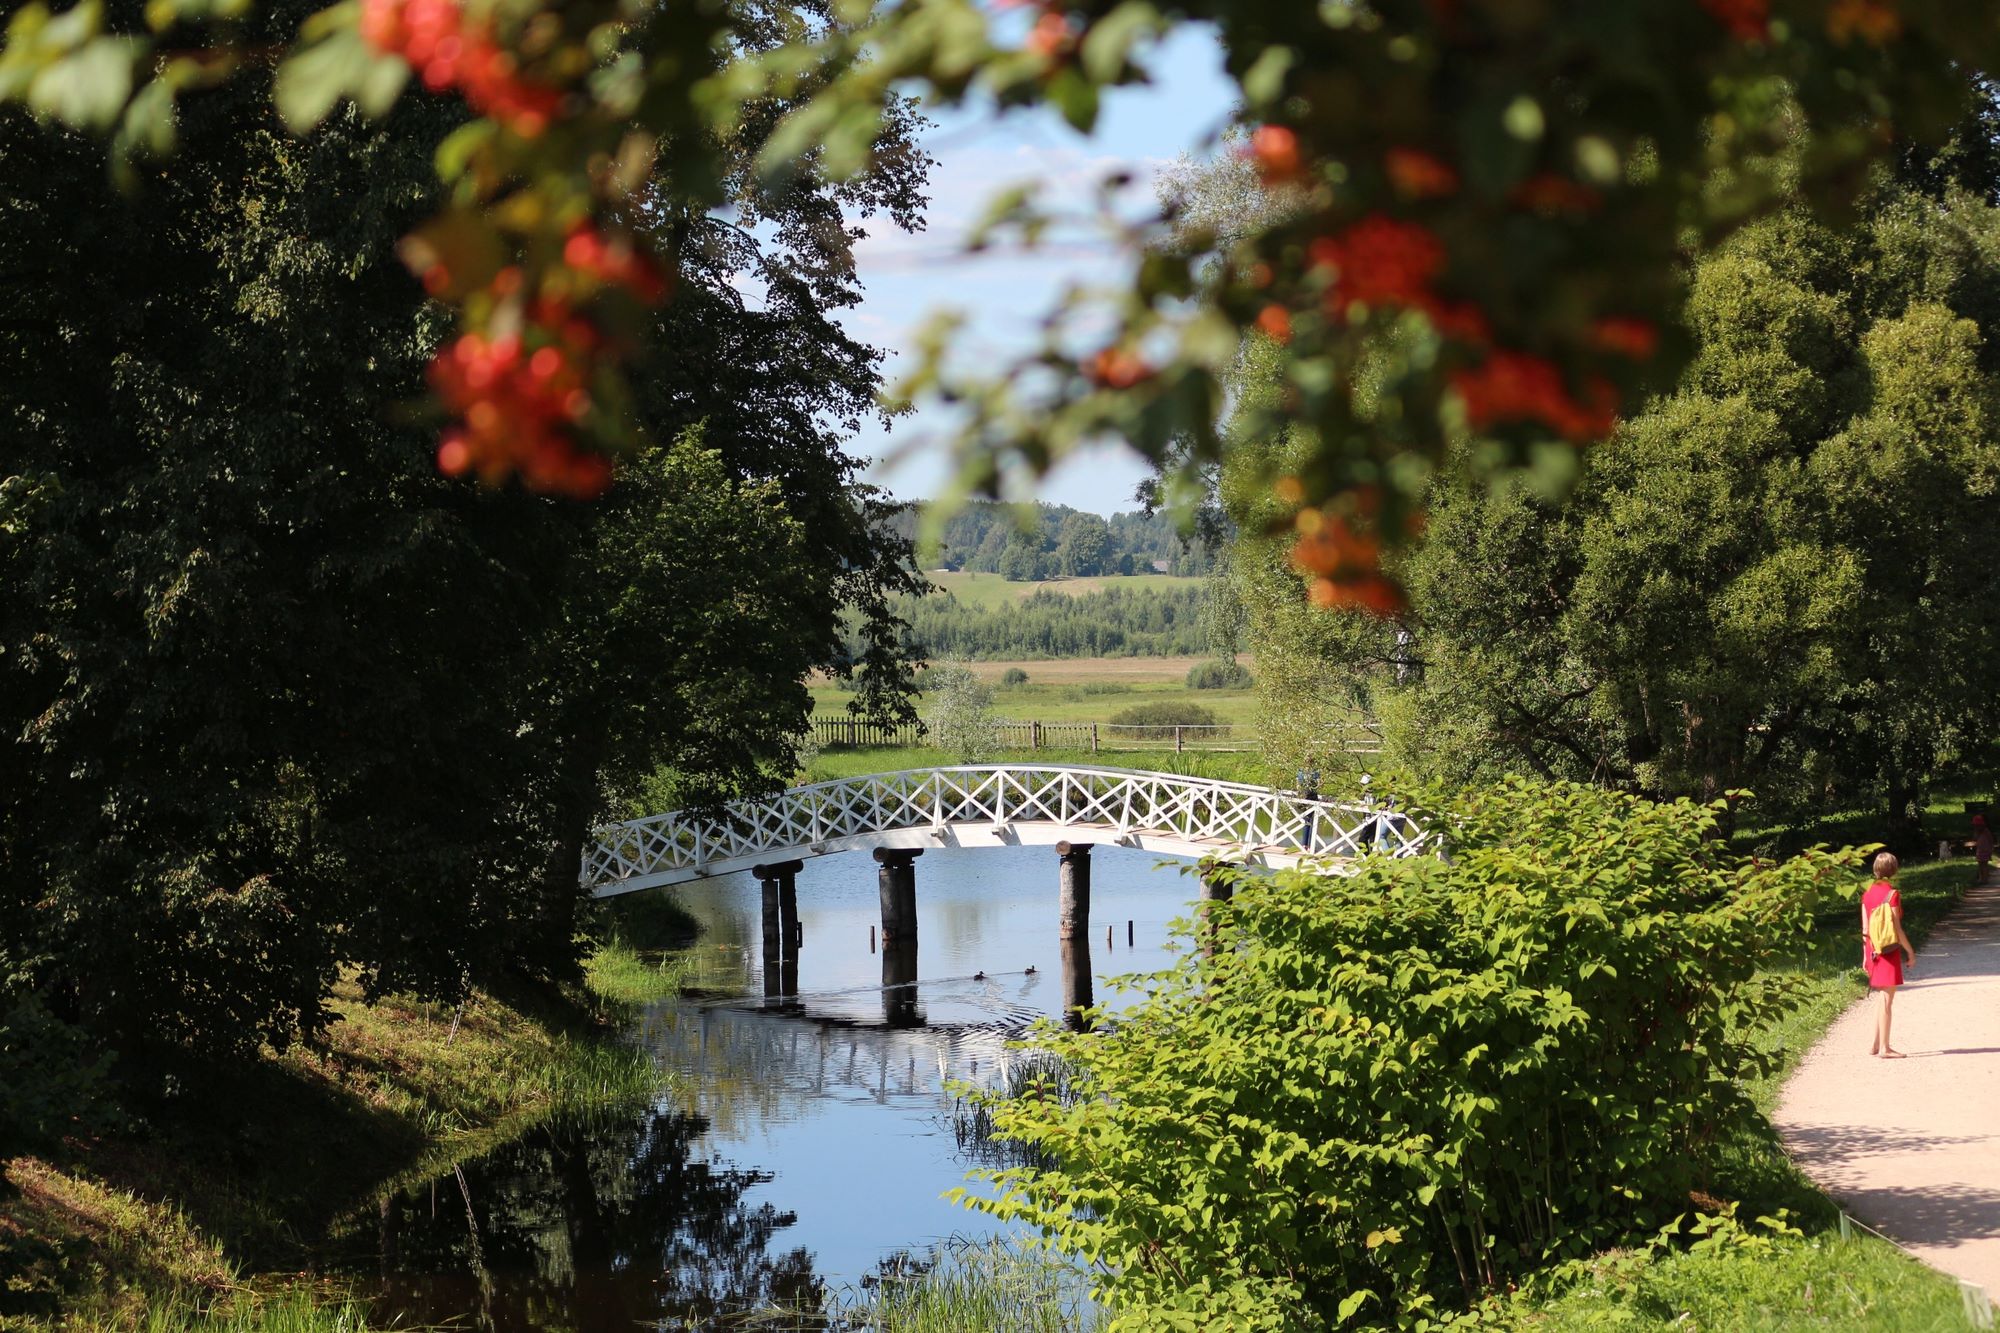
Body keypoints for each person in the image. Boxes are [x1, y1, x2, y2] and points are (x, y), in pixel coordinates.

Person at [1861, 851, 1916, 1058]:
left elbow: (1865, 928)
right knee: (1886, 999)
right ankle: (1885, 1048)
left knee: (1881, 997)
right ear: (1894, 870)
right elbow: (1897, 928)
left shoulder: (1866, 894)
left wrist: (1865, 955)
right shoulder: (1892, 894)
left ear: (1875, 869)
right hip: (1888, 949)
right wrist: (1910, 951)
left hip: (1872, 948)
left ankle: (1875, 1044)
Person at [1974, 814, 1993, 885]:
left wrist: (1991, 848)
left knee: (1984, 865)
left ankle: (1985, 879)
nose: (1977, 827)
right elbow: (1975, 839)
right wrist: (1976, 832)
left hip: (1986, 850)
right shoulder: (1977, 832)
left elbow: (1991, 839)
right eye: (1976, 826)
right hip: (1979, 850)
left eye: (1978, 825)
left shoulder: (1986, 831)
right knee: (1980, 865)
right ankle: (1981, 878)